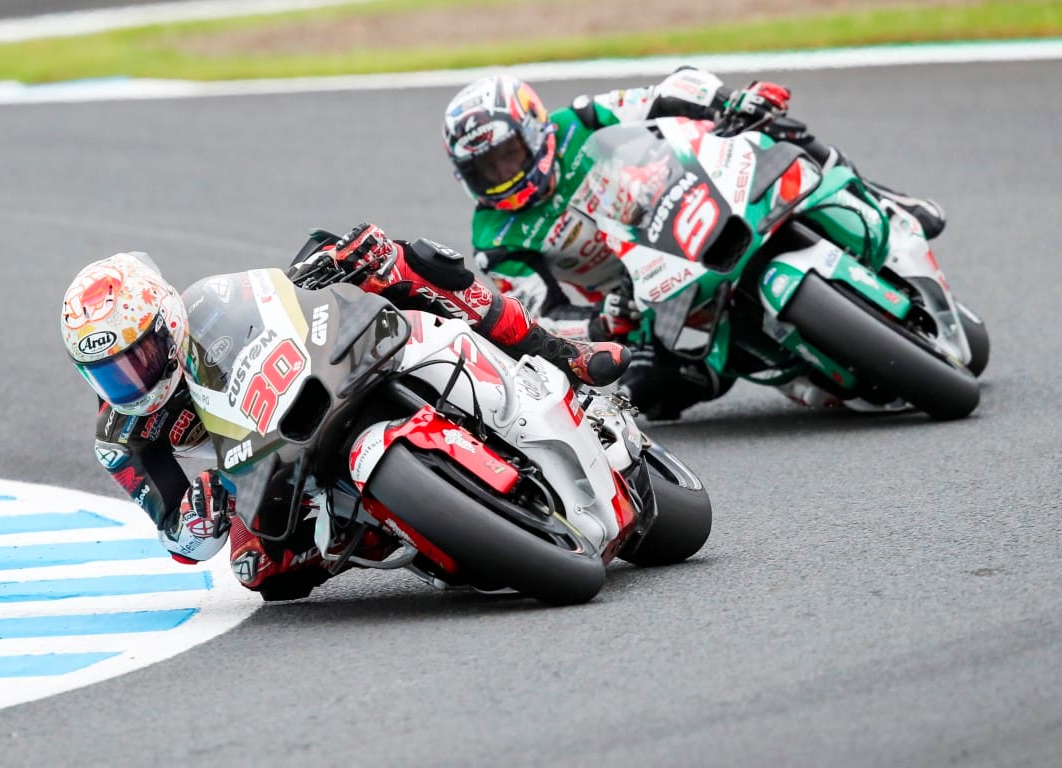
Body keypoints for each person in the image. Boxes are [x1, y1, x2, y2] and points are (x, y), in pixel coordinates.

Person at [60, 232, 628, 600]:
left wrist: (330, 263)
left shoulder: (208, 309)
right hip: (259, 472)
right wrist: (198, 515)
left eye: (138, 357)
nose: (130, 380)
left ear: (167, 321)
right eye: (109, 372)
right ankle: (396, 528)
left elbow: (275, 297)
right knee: (258, 571)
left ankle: (555, 349)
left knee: (398, 256)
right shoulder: (121, 437)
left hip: (311, 382)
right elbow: (179, 541)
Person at [441, 70, 947, 419]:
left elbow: (664, 94)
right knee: (646, 393)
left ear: (534, 129)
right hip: (637, 295)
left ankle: (884, 197)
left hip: (684, 202)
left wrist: (729, 100)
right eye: (484, 169)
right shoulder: (496, 238)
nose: (500, 175)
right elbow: (537, 316)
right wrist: (600, 323)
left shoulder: (580, 118)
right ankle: (769, 366)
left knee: (772, 123)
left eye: (507, 156)